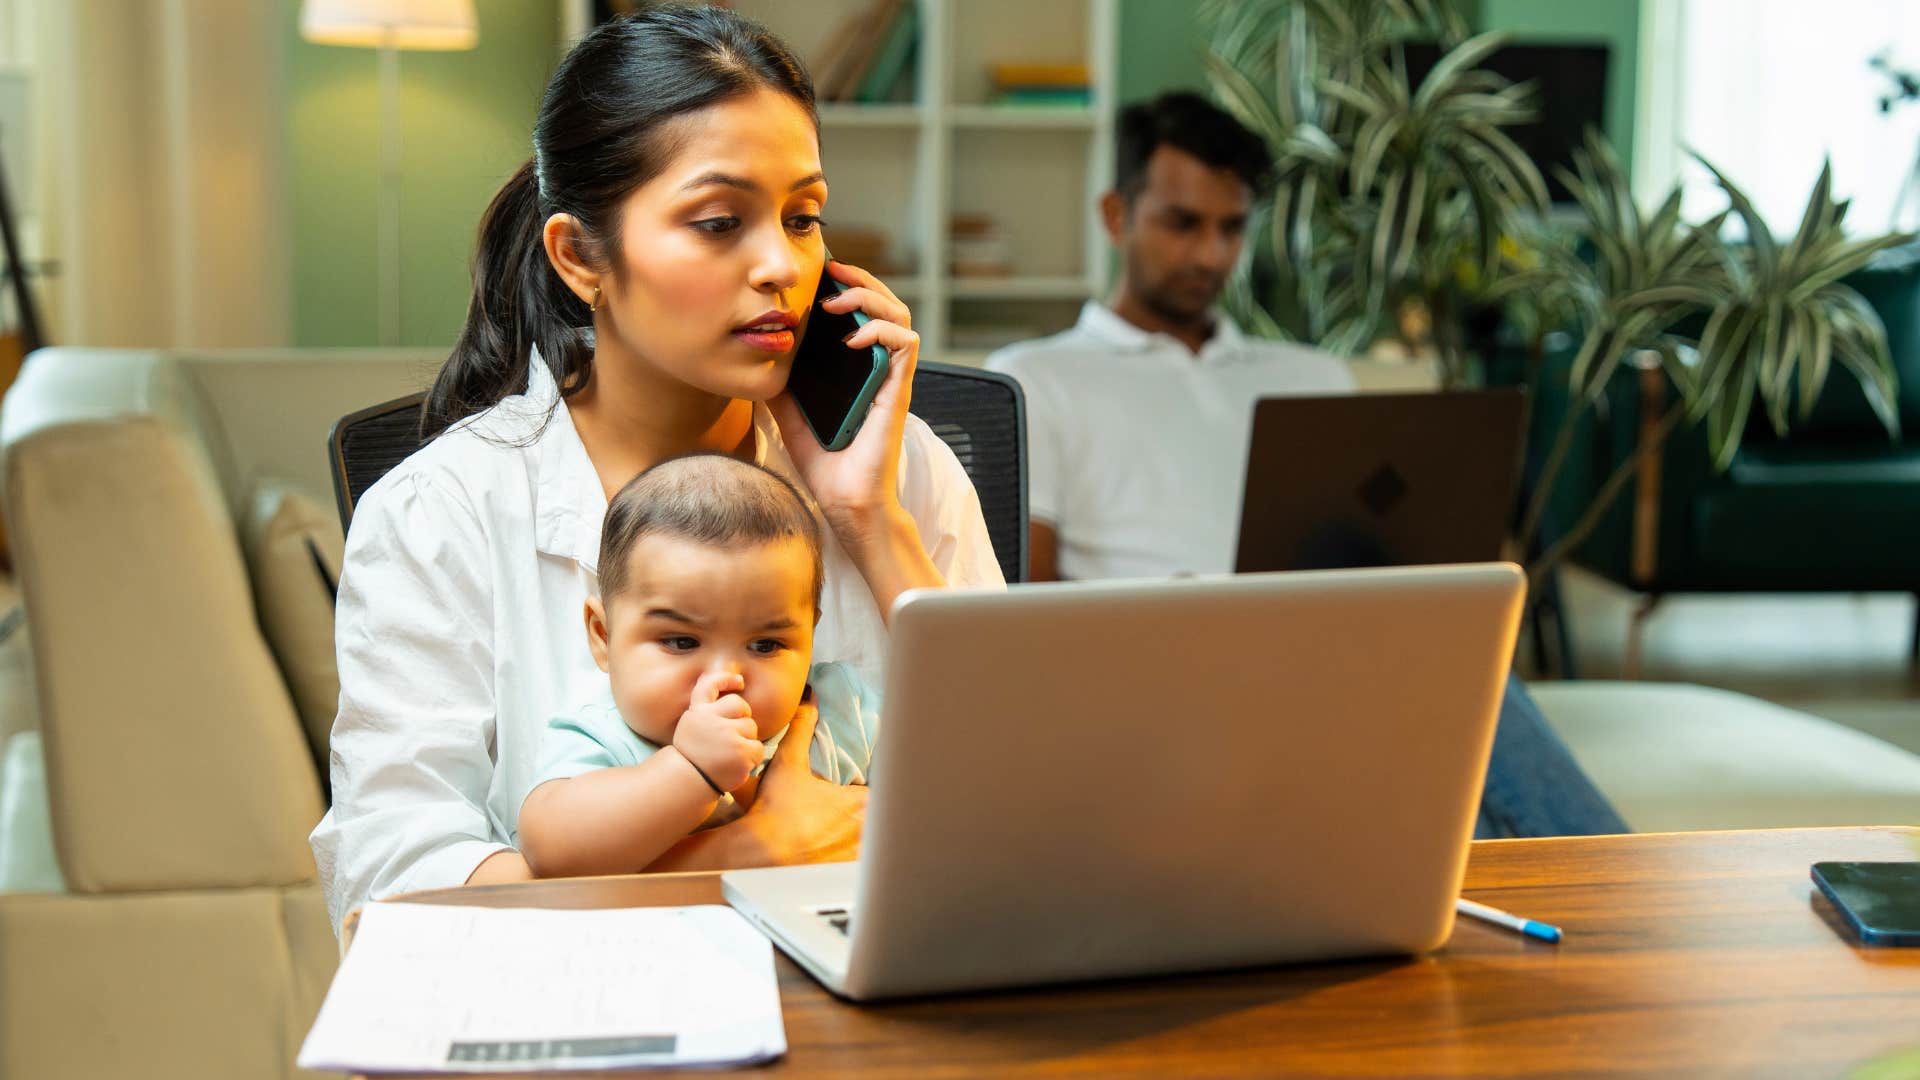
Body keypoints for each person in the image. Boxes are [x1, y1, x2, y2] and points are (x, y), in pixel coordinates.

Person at [312, 5, 1002, 932]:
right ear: (580, 257)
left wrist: (869, 523)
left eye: (804, 219)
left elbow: (1023, 800)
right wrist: (750, 861)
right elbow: (395, 892)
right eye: (720, 222)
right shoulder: (440, 513)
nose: (782, 269)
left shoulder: (894, 469)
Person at [987, 91, 1627, 839]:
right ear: (1115, 216)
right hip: (1163, 679)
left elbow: (1380, 556)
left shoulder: (1307, 374)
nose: (1211, 256)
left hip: (1325, 659)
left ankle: (1606, 905)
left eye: (1232, 229)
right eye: (1183, 224)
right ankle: (1617, 911)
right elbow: (1020, 608)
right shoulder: (1035, 377)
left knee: (1459, 671)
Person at [518, 454, 880, 878]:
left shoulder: (843, 708)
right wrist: (689, 772)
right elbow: (549, 850)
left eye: (766, 644)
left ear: (809, 637)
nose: (726, 678)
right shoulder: (604, 738)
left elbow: (950, 798)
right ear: (603, 635)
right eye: (681, 642)